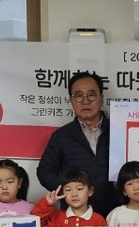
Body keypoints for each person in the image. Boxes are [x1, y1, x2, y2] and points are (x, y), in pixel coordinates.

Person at [37, 71, 119, 215]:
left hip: (116, 213)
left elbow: (136, 170)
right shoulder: (61, 136)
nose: (85, 101)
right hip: (75, 216)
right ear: (71, 100)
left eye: (91, 95)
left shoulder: (119, 131)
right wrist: (69, 190)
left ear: (101, 98)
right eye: (79, 96)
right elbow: (44, 172)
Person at [31, 168, 107, 227]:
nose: (74, 194)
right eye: (68, 190)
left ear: (90, 191)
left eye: (79, 189)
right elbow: (33, 222)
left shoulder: (99, 220)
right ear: (62, 193)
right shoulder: (55, 217)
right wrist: (47, 204)